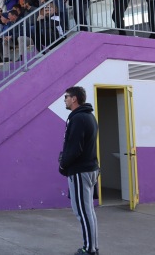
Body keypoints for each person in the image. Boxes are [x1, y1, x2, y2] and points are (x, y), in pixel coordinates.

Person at [59, 86, 99, 255]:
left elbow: (75, 148)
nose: (65, 100)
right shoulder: (89, 116)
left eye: (67, 97)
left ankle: (89, 249)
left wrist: (63, 165)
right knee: (88, 211)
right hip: (89, 169)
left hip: (80, 171)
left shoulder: (78, 118)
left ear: (74, 98)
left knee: (82, 212)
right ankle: (92, 247)